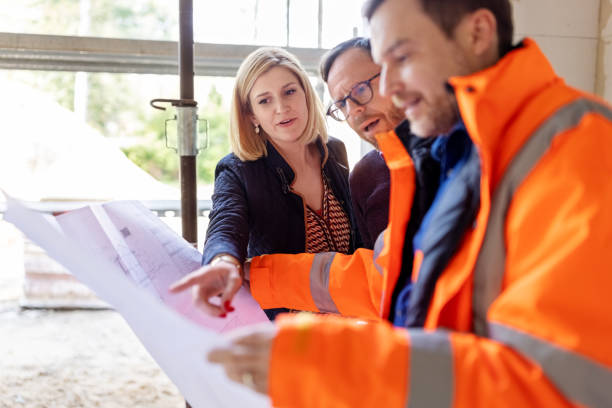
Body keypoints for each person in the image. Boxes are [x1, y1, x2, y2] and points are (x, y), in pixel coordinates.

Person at [200, 0, 612, 406]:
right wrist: (259, 275)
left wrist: (328, 360)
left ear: (478, 33)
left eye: (402, 57)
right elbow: (392, 280)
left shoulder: (578, 147)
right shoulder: (454, 153)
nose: (388, 89)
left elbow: (556, 385)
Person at [177, 47, 359, 320]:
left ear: (306, 94)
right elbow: (225, 224)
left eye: (289, 92)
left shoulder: (334, 151)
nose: (281, 107)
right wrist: (223, 261)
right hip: (284, 327)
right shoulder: (237, 169)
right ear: (251, 115)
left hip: (352, 318)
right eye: (264, 101)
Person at [321, 37, 438, 249]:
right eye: (342, 104)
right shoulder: (362, 177)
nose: (353, 110)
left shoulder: (454, 147)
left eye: (360, 89)